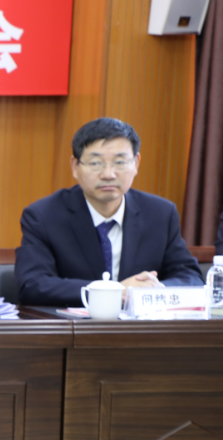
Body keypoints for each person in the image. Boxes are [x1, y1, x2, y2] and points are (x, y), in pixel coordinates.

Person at [17, 117, 202, 306]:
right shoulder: (43, 216)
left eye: (120, 162)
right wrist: (113, 291)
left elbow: (190, 277)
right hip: (75, 323)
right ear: (75, 166)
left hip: (141, 323)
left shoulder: (160, 214)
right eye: (95, 163)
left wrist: (154, 290)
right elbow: (32, 284)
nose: (108, 174)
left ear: (136, 163)